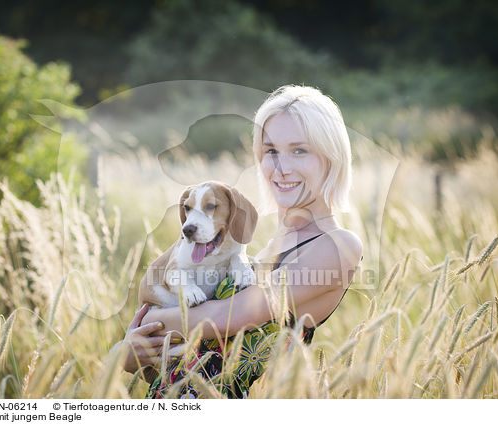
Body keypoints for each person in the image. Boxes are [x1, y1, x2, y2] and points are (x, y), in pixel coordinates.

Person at [123, 84, 363, 398]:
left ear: (330, 157)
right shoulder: (261, 248)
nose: (281, 167)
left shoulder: (337, 245)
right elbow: (164, 353)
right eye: (271, 151)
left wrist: (149, 321)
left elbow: (227, 317)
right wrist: (129, 353)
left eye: (299, 150)